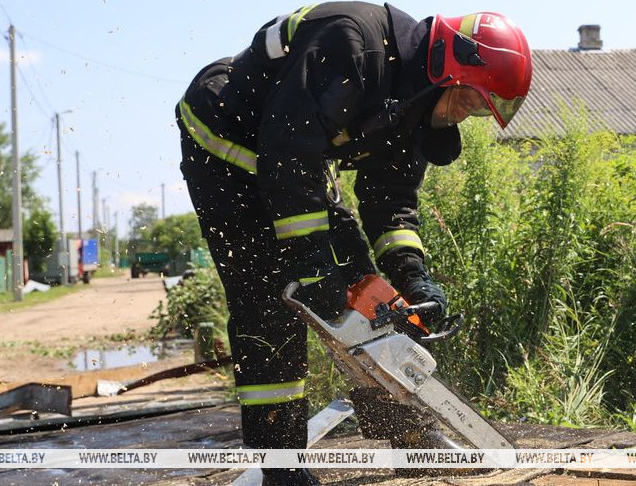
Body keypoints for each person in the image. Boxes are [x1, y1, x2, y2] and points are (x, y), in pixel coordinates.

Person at [176, 2, 531, 484]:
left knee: (365, 293)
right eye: (467, 102)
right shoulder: (351, 44)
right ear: (446, 68)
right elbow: (286, 160)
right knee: (269, 303)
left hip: (292, 161)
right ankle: (281, 466)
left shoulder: (412, 99)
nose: (464, 116)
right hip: (227, 139)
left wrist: (412, 275)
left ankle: (404, 431)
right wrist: (310, 266)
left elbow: (391, 198)